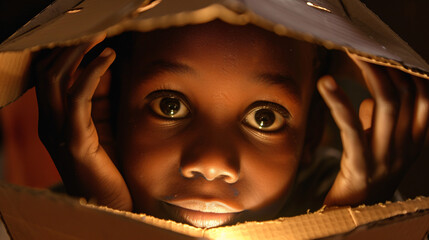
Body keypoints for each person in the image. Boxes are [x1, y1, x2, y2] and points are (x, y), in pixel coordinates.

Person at [34, 20, 429, 228]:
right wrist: (102, 223)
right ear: (108, 111)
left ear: (310, 136)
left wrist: (354, 222)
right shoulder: (42, 219)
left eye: (264, 118)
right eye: (170, 106)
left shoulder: (375, 210)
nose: (211, 161)